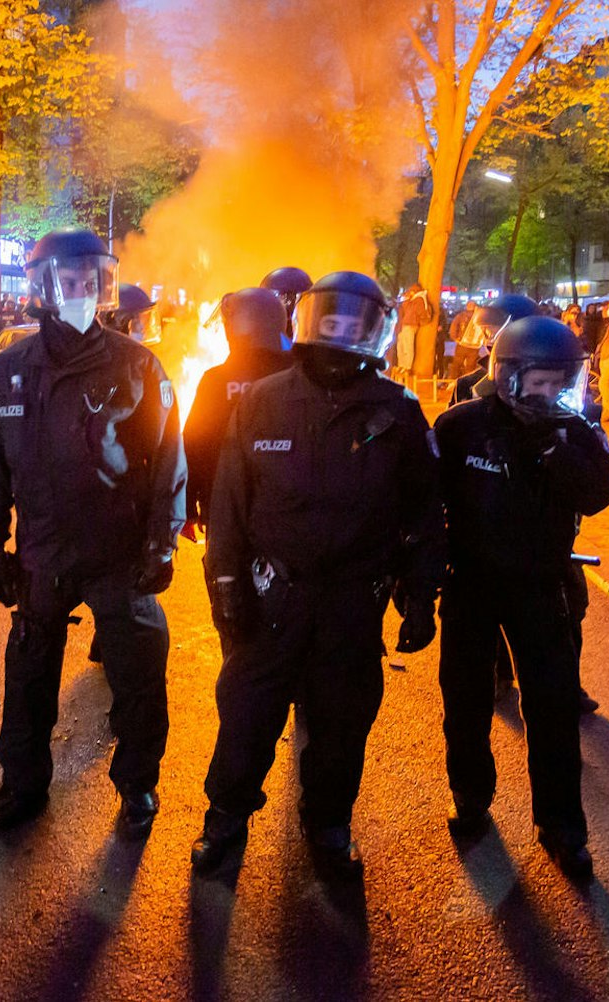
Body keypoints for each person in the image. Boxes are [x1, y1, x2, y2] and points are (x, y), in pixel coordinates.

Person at [190, 271, 441, 881]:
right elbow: (229, 503)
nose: (342, 333)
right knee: (246, 715)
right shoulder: (261, 400)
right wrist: (225, 585)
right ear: (307, 321)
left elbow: (425, 511)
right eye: (333, 320)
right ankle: (225, 818)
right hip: (270, 594)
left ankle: (328, 821)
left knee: (341, 723)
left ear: (376, 330)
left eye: (357, 324)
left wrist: (420, 595)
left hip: (353, 604)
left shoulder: (397, 412)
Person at [0, 229, 185, 836]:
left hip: (117, 551)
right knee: (29, 675)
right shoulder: (8, 371)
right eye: (68, 281)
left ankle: (138, 784)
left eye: (90, 280)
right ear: (43, 286)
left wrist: (162, 541)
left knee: (140, 674)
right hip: (42, 550)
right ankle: (22, 784)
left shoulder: (136, 363)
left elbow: (168, 457)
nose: (81, 290)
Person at [432, 315, 609, 880]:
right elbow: (425, 501)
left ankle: (561, 826)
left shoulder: (573, 428)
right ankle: (470, 794)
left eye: (556, 384)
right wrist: (419, 579)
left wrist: (555, 449)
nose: (547, 395)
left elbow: (601, 494)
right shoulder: (461, 426)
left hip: (541, 585)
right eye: (535, 383)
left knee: (552, 709)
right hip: (469, 584)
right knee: (465, 699)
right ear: (507, 375)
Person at [183, 288, 293, 536]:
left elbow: (194, 444)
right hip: (291, 509)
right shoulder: (302, 377)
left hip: (224, 506)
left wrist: (188, 508)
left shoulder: (216, 380)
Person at [395, 282, 437, 382]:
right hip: (403, 325)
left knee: (407, 346)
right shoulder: (411, 300)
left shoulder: (419, 300)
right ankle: (402, 365)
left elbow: (421, 313)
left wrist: (418, 321)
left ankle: (407, 367)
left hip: (410, 325)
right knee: (401, 346)